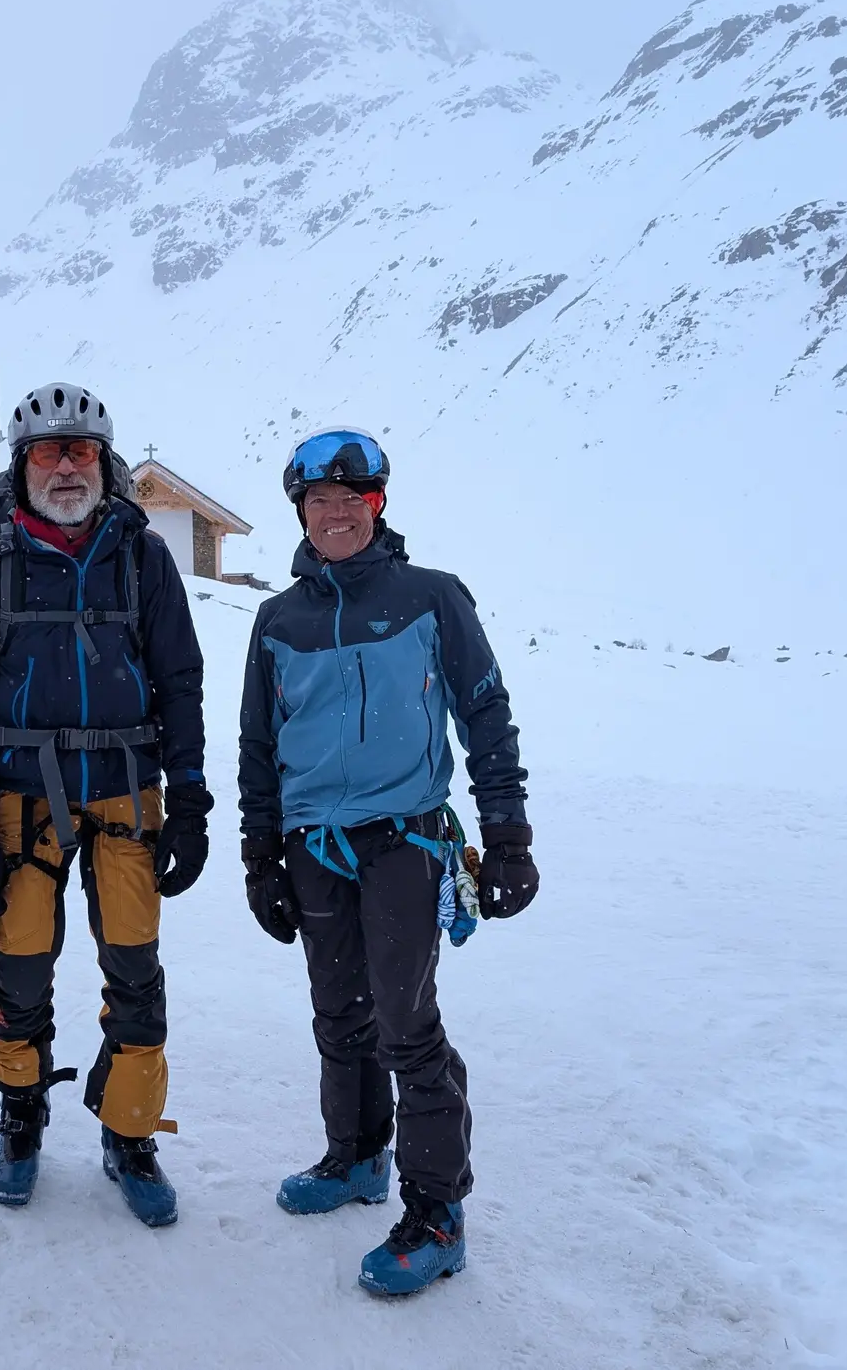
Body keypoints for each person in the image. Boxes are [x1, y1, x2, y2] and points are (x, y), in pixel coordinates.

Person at [236, 427, 540, 1297]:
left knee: (407, 1025)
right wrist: (261, 854)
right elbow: (259, 744)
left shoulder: (431, 598)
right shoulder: (277, 619)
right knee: (339, 1014)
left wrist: (508, 833)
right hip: (312, 847)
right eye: (319, 501)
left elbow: (486, 715)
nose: (335, 514)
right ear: (301, 511)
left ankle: (437, 1212)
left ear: (377, 506)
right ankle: (358, 1156)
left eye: (351, 500)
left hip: (405, 841)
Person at [0, 382, 211, 1227]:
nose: (65, 468)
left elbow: (180, 681)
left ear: (106, 464)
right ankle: (22, 1113)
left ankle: (129, 1133)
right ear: (20, 468)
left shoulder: (143, 556)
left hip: (128, 792)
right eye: (48, 453)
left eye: (80, 452)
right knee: (18, 969)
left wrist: (192, 798)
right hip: (23, 798)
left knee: (135, 968)